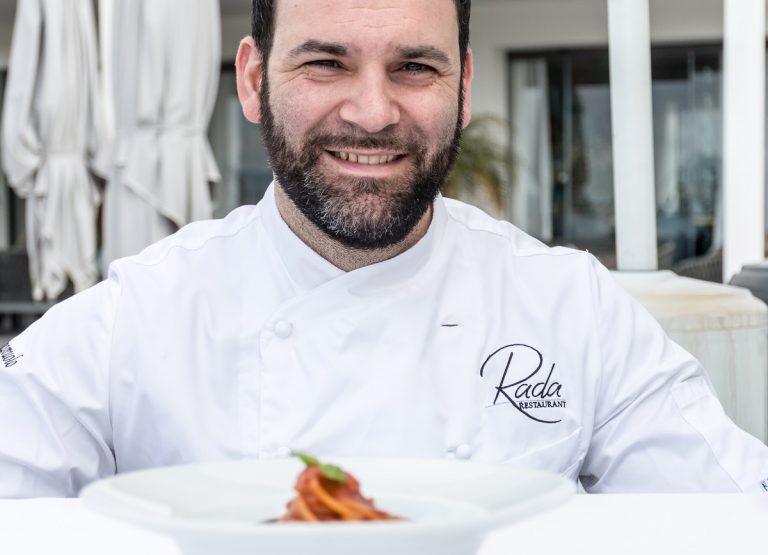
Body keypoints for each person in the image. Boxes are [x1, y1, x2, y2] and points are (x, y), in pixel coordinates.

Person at [1, 0, 767, 498]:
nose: (372, 113)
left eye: (415, 67)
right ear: (254, 79)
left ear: (464, 86)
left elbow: (731, 511)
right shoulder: (136, 315)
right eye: (326, 62)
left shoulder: (572, 307)